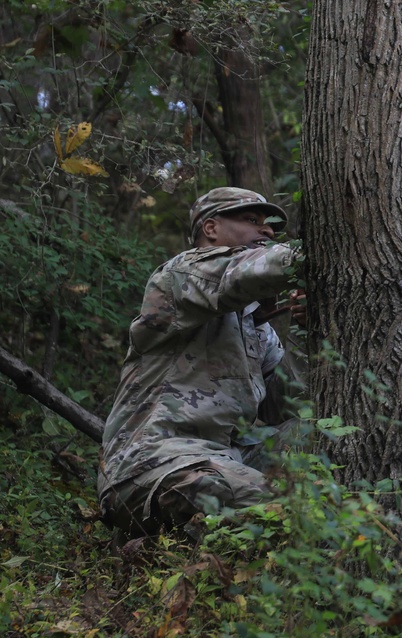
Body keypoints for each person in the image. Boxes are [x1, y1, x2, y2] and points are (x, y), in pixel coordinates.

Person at [98, 187, 306, 538]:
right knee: (292, 514)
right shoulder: (179, 277)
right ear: (211, 229)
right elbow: (241, 274)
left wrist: (304, 330)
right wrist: (321, 251)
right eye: (252, 220)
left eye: (271, 226)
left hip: (227, 460)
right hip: (155, 464)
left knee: (317, 434)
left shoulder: (256, 326)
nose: (268, 231)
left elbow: (284, 406)